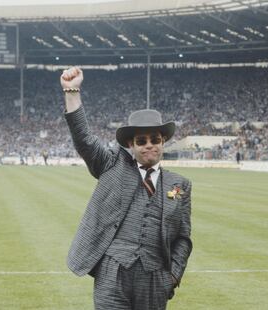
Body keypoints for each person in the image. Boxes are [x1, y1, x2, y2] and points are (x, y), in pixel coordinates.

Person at [61, 67, 192, 310]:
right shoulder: (112, 163)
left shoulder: (180, 185)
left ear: (163, 141)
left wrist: (172, 277)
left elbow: (183, 239)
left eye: (155, 139)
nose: (149, 145)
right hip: (112, 272)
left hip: (155, 279)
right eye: (141, 141)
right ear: (130, 144)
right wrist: (72, 91)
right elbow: (84, 140)